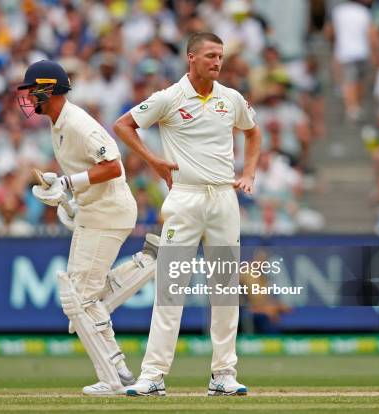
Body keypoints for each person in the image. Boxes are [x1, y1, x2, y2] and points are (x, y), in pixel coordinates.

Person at [114, 32, 261, 396]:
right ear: (191, 58)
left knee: (225, 289)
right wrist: (153, 160)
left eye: (221, 56)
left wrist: (248, 174)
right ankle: (153, 375)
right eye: (210, 55)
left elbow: (253, 133)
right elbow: (123, 125)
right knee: (171, 289)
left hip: (224, 200)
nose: (217, 62)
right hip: (185, 198)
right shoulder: (169, 97)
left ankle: (223, 374)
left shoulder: (231, 98)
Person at [17, 60, 159, 395]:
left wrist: (67, 182)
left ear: (48, 90)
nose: (28, 99)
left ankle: (113, 377)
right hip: (94, 212)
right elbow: (85, 174)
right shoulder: (58, 124)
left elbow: (112, 166)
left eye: (32, 91)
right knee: (83, 302)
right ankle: (120, 372)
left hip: (109, 212)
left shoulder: (78, 123)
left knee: (78, 300)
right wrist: (65, 194)